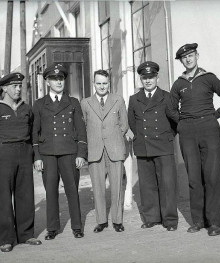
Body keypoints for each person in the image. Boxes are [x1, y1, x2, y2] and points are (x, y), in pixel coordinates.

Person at [170, 43, 220, 236]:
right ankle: (198, 221)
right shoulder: (179, 84)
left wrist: (214, 115)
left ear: (197, 56)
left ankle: (214, 223)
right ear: (181, 61)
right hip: (188, 133)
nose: (188, 59)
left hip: (209, 130)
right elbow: (170, 109)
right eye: (184, 57)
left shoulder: (209, 78)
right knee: (194, 178)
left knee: (212, 176)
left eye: (191, 55)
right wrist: (182, 123)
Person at [0, 72, 41, 252]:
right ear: (4, 88)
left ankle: (26, 234)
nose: (18, 89)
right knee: (4, 198)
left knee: (26, 196)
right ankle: (5, 238)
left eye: (20, 85)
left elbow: (33, 135)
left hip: (24, 154)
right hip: (3, 155)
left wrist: (33, 156)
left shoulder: (26, 108)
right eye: (15, 86)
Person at [32, 63, 87, 240]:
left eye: (61, 78)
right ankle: (52, 228)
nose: (58, 81)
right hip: (48, 154)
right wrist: (37, 157)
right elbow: (34, 133)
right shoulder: (40, 104)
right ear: (47, 82)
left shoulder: (73, 102)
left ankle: (77, 226)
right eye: (54, 79)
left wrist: (81, 154)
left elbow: (81, 130)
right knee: (51, 191)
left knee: (72, 190)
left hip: (69, 152)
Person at [128, 61, 178, 231]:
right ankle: (152, 217)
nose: (148, 81)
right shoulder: (134, 99)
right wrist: (141, 139)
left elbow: (175, 121)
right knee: (147, 185)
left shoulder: (167, 96)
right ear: (140, 79)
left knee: (167, 185)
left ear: (157, 77)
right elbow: (132, 123)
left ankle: (170, 220)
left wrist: (168, 137)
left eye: (151, 77)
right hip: (144, 147)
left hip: (163, 146)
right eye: (144, 78)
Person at [80, 70, 128, 233]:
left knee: (117, 187)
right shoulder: (85, 103)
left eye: (105, 83)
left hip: (114, 149)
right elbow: (83, 127)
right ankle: (101, 221)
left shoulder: (118, 100)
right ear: (94, 83)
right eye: (98, 83)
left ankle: (117, 221)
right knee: (98, 188)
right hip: (95, 150)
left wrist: (114, 138)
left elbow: (124, 125)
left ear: (109, 83)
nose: (101, 86)